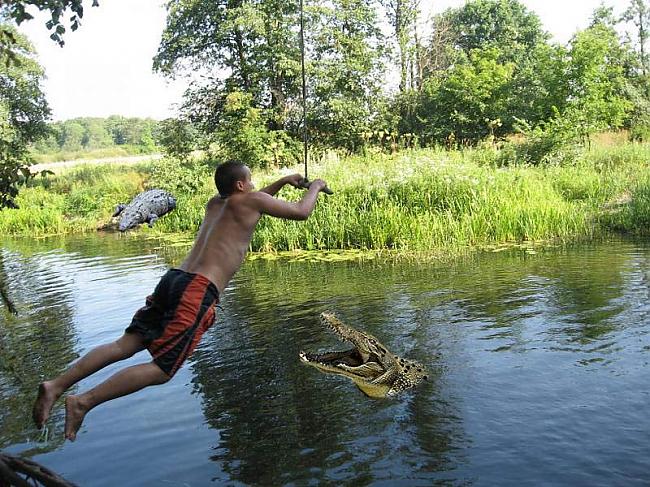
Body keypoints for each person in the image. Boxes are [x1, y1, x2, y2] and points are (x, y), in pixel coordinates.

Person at [32, 160, 328, 441]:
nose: (253, 185)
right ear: (240, 184)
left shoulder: (218, 203)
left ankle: (55, 385)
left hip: (174, 279)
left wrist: (283, 181)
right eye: (249, 180)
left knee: (125, 344)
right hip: (197, 290)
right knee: (162, 369)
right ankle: (83, 402)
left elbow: (257, 200)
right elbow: (301, 212)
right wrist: (314, 186)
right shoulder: (250, 201)